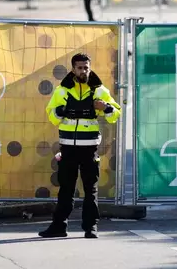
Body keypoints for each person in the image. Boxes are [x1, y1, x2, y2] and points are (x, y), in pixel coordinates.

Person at [39, 53, 121, 238]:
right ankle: (59, 227)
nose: (83, 70)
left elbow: (116, 113)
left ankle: (91, 227)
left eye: (86, 67)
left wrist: (106, 108)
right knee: (66, 189)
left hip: (90, 149)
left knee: (90, 189)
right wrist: (60, 111)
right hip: (68, 148)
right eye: (80, 67)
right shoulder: (62, 90)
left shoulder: (99, 90)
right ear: (73, 69)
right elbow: (51, 114)